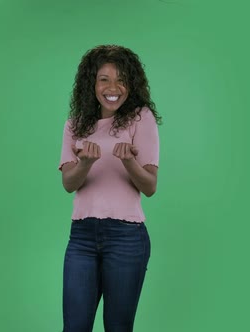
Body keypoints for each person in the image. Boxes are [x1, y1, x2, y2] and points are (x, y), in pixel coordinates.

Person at [58, 45, 162, 332]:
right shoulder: (75, 125)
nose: (113, 87)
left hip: (127, 238)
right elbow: (69, 184)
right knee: (75, 327)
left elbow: (150, 186)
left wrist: (129, 161)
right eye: (104, 79)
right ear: (91, 83)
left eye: (121, 79)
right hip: (82, 238)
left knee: (118, 327)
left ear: (132, 84)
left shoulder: (140, 118)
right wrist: (86, 163)